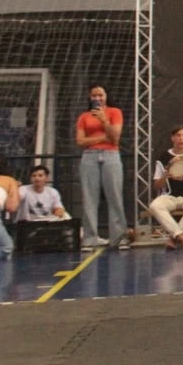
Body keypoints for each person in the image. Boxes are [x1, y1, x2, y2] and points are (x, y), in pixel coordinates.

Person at [75, 84, 128, 250]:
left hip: (111, 155)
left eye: (100, 95)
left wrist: (104, 121)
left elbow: (115, 138)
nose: (97, 99)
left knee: (115, 196)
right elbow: (81, 141)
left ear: (106, 96)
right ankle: (90, 238)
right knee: (90, 198)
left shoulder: (115, 112)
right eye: (94, 96)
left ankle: (119, 238)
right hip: (89, 157)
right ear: (90, 98)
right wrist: (103, 137)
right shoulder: (84, 117)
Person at [147, 125, 183, 250]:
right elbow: (156, 186)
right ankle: (181, 236)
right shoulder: (163, 157)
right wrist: (164, 177)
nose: (181, 139)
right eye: (178, 135)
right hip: (170, 195)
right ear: (172, 138)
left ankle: (173, 237)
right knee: (155, 206)